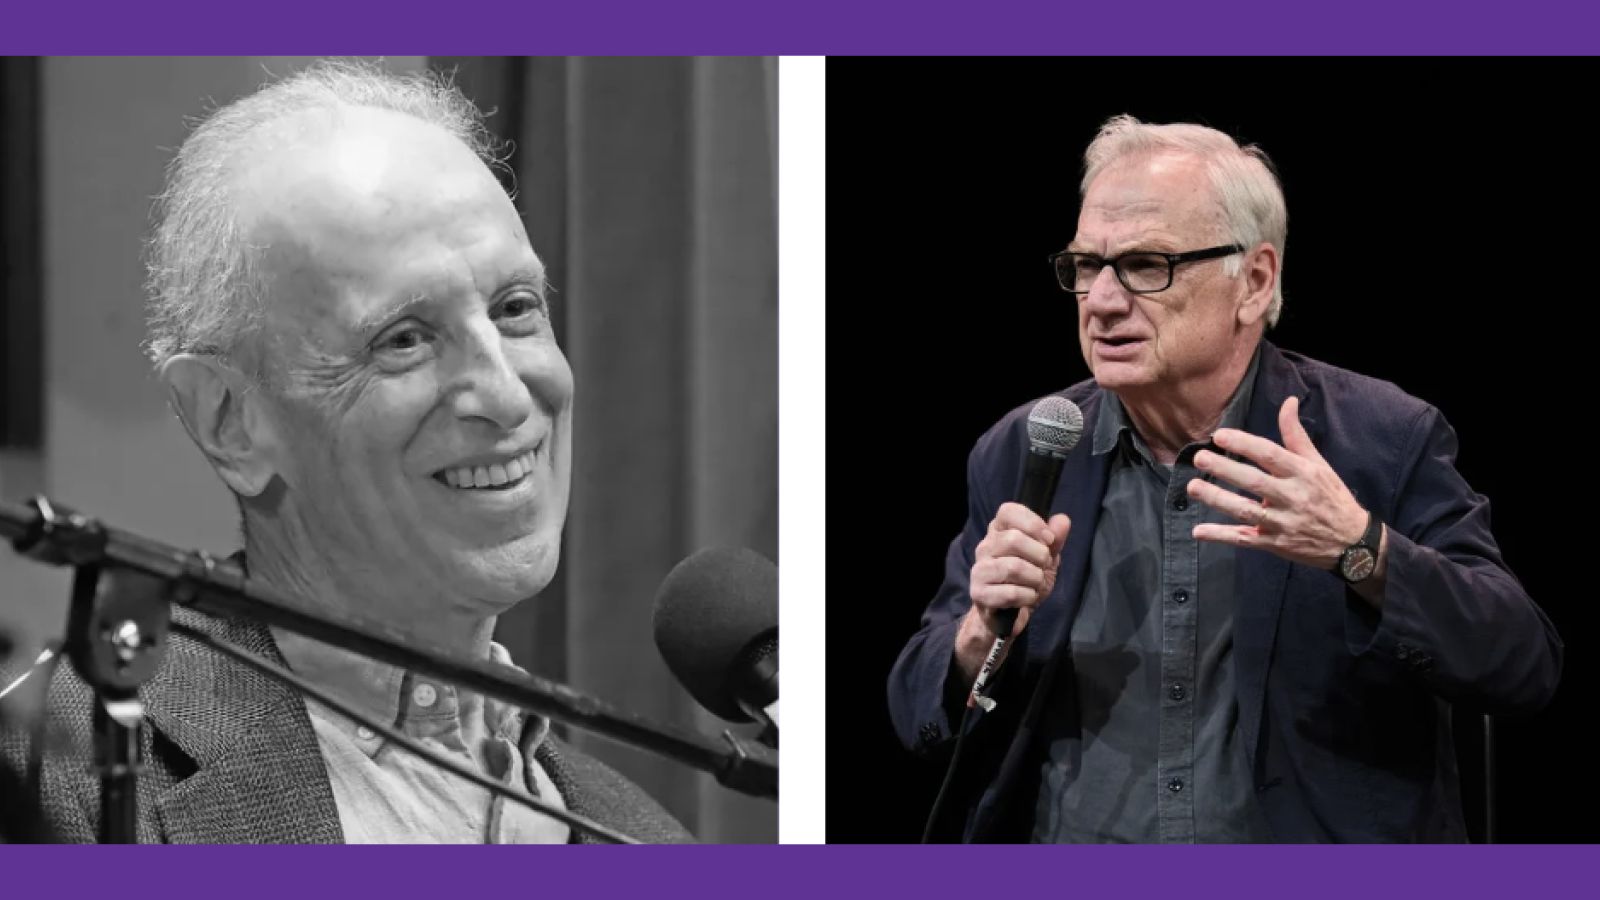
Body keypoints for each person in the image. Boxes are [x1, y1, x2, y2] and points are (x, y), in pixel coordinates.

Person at [0, 60, 689, 844]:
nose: (505, 393)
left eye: (516, 308)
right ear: (229, 419)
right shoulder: (54, 783)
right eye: (403, 339)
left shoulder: (642, 833)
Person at [887, 115, 1563, 843]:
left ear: (1255, 280)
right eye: (1086, 267)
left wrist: (1360, 549)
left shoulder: (1379, 439)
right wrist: (981, 633)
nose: (1104, 302)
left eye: (1148, 265)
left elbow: (1520, 666)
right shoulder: (1024, 449)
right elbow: (917, 705)